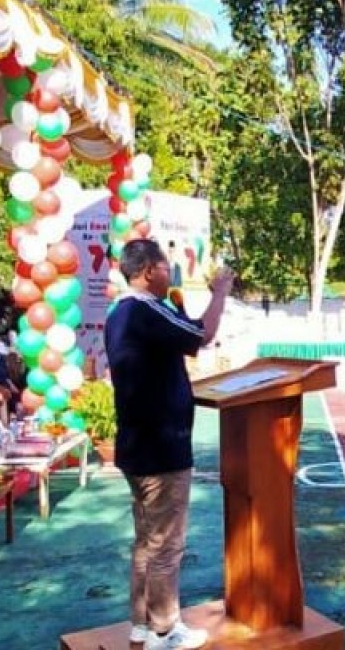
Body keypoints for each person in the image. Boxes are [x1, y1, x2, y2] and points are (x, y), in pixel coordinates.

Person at [104, 238, 235, 649]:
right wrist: (220, 293)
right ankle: (164, 630)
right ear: (148, 271)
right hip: (162, 450)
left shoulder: (120, 313)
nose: (170, 273)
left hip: (137, 447)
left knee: (147, 542)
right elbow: (202, 334)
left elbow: (181, 335)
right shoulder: (145, 309)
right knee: (166, 545)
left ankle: (142, 624)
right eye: (165, 268)